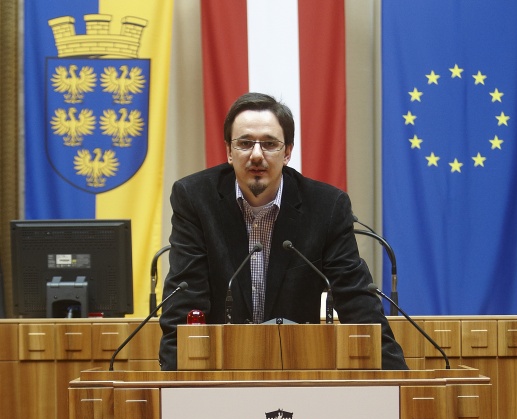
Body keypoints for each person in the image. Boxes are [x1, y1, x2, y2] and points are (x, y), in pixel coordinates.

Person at [159, 92, 407, 370]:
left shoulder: (326, 206)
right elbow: (184, 300)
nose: (256, 155)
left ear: (287, 152)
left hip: (297, 367)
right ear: (229, 151)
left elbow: (357, 302)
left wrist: (400, 382)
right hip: (219, 368)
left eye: (269, 144)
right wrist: (172, 385)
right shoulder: (194, 198)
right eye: (244, 143)